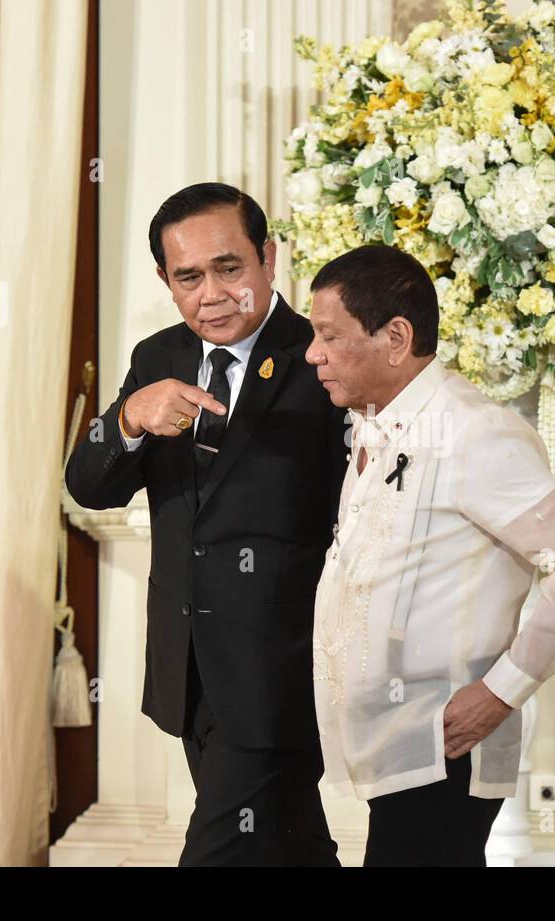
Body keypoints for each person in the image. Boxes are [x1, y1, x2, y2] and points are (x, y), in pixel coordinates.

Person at [305, 244, 555, 866]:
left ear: (396, 337)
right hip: (389, 740)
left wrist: (502, 692)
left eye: (328, 336)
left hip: (445, 745)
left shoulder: (474, 430)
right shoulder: (369, 424)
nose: (313, 353)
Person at [65, 183, 347, 866]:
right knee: (289, 845)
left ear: (268, 259)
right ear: (166, 281)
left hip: (283, 671)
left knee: (218, 852)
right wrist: (130, 417)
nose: (212, 294)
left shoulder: (323, 355)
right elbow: (87, 486)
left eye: (229, 268)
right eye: (189, 277)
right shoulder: (157, 358)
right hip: (189, 662)